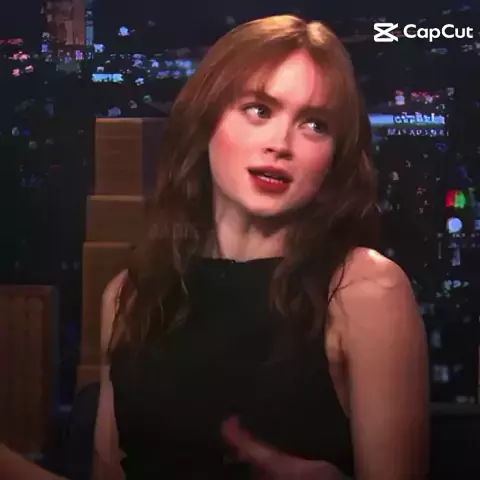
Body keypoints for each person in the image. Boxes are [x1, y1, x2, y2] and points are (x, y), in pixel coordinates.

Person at [93, 14, 429, 480]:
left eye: (315, 124)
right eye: (259, 110)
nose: (281, 144)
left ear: (334, 156)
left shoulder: (366, 290)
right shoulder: (130, 294)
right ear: (206, 121)